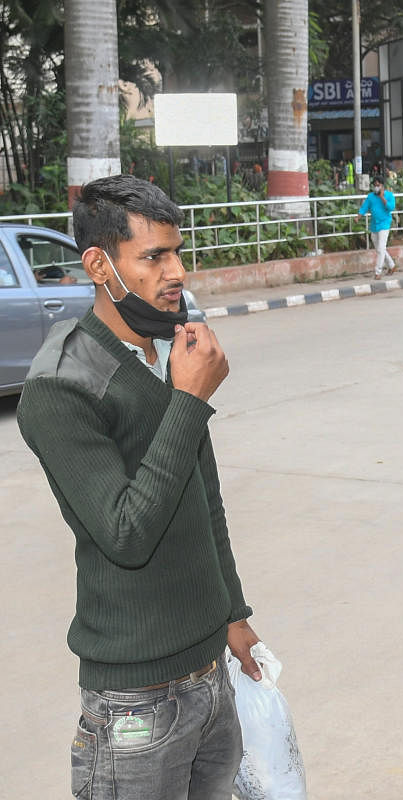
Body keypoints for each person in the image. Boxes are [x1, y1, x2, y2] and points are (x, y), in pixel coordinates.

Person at [17, 174, 263, 799]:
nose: (176, 272)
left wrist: (231, 613)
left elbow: (203, 496)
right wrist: (188, 400)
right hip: (136, 699)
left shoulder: (163, 348)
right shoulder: (61, 387)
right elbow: (127, 533)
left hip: (209, 672)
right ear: (100, 264)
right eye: (154, 256)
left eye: (178, 252)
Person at [359, 175, 397, 278]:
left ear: (382, 186)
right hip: (374, 225)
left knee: (381, 248)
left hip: (384, 224)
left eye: (378, 185)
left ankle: (378, 272)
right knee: (379, 249)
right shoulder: (371, 196)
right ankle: (392, 265)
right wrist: (358, 216)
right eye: (374, 185)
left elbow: (390, 207)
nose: (376, 187)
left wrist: (382, 197)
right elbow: (364, 207)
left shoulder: (389, 195)